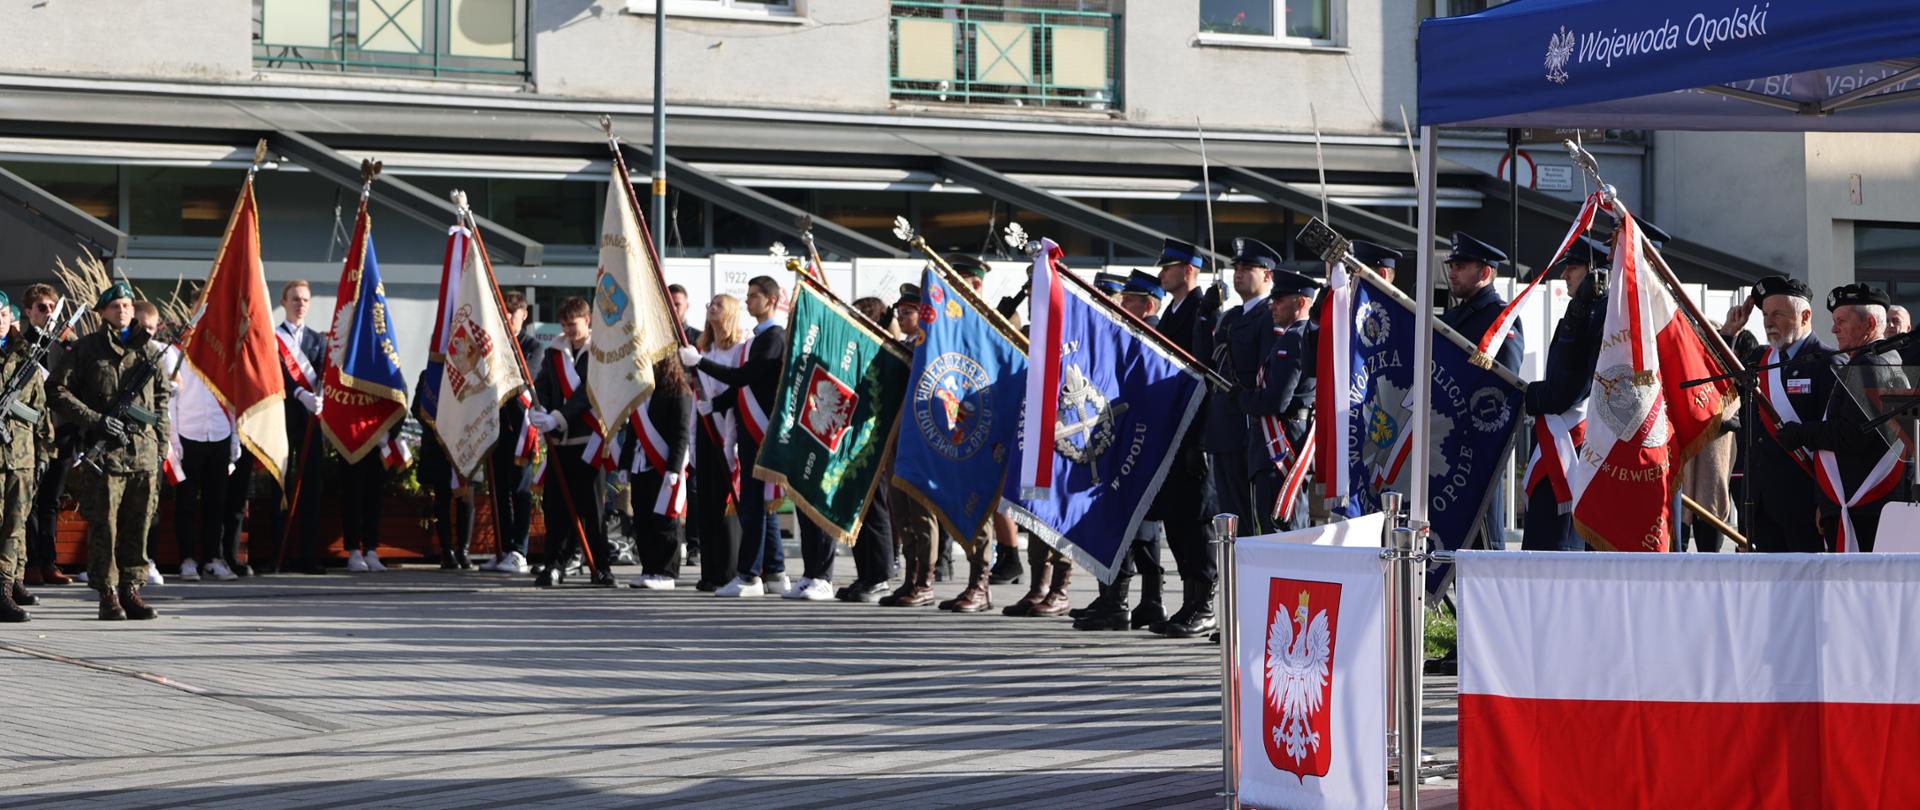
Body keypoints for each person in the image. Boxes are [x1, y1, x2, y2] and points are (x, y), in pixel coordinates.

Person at [50, 282, 169, 621]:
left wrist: (162, 442)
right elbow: (56, 390)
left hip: (143, 453)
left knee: (138, 523)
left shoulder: (149, 351)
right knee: (106, 526)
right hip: (105, 456)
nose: (123, 311)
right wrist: (94, 420)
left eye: (128, 305)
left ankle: (132, 589)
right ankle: (107, 593)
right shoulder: (87, 349)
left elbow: (162, 401)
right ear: (102, 312)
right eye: (115, 305)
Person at [1777, 284, 1909, 552]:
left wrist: (1802, 433)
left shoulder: (1869, 365)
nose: (1834, 329)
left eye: (1842, 322)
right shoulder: (1882, 360)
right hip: (1861, 503)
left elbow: (1853, 435)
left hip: (1863, 507)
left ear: (1869, 323)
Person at [683, 276, 789, 598]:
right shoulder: (757, 339)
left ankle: (749, 575)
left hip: (761, 430)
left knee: (755, 505)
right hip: (748, 429)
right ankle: (774, 570)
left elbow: (744, 378)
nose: (748, 301)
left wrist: (702, 363)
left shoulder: (773, 337)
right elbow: (741, 391)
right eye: (748, 295)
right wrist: (713, 403)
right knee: (756, 504)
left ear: (771, 300)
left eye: (754, 296)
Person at [1520, 237, 1607, 551]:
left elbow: (1568, 391)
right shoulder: (1583, 313)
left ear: (1594, 271)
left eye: (1572, 267)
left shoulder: (1599, 317)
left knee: (1557, 547)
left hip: (1578, 443)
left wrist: (1532, 395)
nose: (1565, 275)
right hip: (1569, 438)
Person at [1736, 276, 1835, 553]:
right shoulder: (1759, 360)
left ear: (1804, 315)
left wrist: (1824, 502)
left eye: (1778, 314)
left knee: (1806, 589)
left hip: (1804, 502)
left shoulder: (1827, 362)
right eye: (1766, 314)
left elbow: (1831, 440)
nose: (1769, 322)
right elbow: (1719, 388)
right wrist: (1730, 333)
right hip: (1760, 502)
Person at [1439, 232, 1523, 550]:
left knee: (1482, 552)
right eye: (1452, 265)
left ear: (1485, 272)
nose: (1452, 272)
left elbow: (1504, 385)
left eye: (1461, 265)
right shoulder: (1454, 316)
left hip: (1476, 450)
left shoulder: (1500, 318)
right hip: (1446, 445)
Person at [528, 297, 614, 587]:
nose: (568, 330)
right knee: (556, 507)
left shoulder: (600, 351)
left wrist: (558, 417)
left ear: (587, 320)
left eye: (573, 324)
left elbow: (589, 393)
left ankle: (601, 567)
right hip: (560, 443)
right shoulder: (555, 352)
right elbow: (544, 384)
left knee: (593, 508)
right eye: (564, 324)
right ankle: (555, 564)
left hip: (589, 440)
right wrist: (537, 409)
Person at [166, 309, 241, 581]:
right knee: (186, 502)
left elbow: (232, 398)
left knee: (216, 502)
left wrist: (235, 438)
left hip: (219, 432)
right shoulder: (179, 352)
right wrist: (173, 440)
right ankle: (187, 559)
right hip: (189, 433)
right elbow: (172, 400)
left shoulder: (224, 353)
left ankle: (212, 557)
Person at [881, 284, 941, 608]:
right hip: (897, 439)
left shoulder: (931, 349)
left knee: (921, 512)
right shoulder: (902, 346)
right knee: (900, 511)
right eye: (900, 312)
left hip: (920, 441)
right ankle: (909, 576)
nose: (902, 317)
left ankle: (926, 580)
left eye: (909, 312)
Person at [1247, 269, 1320, 533]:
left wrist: (1244, 399)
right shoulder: (1304, 335)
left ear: (1300, 302)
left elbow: (1276, 401)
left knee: (1277, 527)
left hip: (1278, 446)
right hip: (1291, 439)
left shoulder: (1293, 339)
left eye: (1279, 299)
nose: (1272, 305)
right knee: (1292, 524)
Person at [840, 296, 898, 603]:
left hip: (876, 439)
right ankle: (865, 573)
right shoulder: (862, 346)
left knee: (874, 509)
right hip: (855, 438)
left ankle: (880, 576)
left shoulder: (887, 350)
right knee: (856, 507)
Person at [271, 280, 331, 575]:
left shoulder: (318, 341)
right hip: (282, 418)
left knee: (310, 488)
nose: (301, 304)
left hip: (310, 422)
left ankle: (308, 555)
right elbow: (278, 372)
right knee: (279, 486)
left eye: (305, 300)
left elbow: (322, 373)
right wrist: (299, 393)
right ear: (284, 302)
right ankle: (275, 554)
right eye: (295, 299)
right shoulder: (273, 338)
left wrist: (319, 396)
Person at [0, 294, 52, 621]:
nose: (0, 319)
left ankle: (4, 589)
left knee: (14, 527)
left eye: (4, 313)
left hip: (20, 457)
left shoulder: (25, 356)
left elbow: (39, 411)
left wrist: (44, 452)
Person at [21, 284, 76, 587]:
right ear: (29, 311)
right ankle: (30, 562)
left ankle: (49, 562)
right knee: (28, 499)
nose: (48, 312)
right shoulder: (22, 343)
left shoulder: (64, 345)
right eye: (42, 307)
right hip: (31, 435)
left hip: (62, 431)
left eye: (53, 306)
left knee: (51, 501)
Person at [690, 294, 745, 592]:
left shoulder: (738, 349)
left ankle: (727, 570)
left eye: (718, 304)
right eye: (709, 303)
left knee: (726, 505)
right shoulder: (703, 349)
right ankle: (709, 571)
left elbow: (735, 386)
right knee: (707, 503)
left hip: (727, 428)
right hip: (704, 425)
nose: (712, 308)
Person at [625, 357, 694, 589]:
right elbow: (633, 430)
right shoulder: (641, 392)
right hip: (640, 464)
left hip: (663, 465)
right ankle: (649, 568)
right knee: (642, 519)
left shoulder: (678, 391)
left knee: (665, 520)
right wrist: (624, 465)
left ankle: (666, 571)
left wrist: (674, 469)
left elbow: (681, 434)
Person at [484, 291, 537, 574]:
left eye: (512, 318)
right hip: (497, 427)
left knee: (520, 489)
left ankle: (520, 549)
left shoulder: (532, 347)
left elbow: (526, 383)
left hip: (522, 429)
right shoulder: (495, 346)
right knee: (500, 490)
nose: (507, 324)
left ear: (524, 315)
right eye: (502, 319)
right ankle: (503, 547)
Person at [413, 368, 473, 569]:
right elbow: (417, 409)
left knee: (466, 498)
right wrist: (441, 426)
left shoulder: (472, 375)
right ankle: (446, 551)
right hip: (438, 446)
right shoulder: (429, 375)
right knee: (442, 500)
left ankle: (463, 550)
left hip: (465, 444)